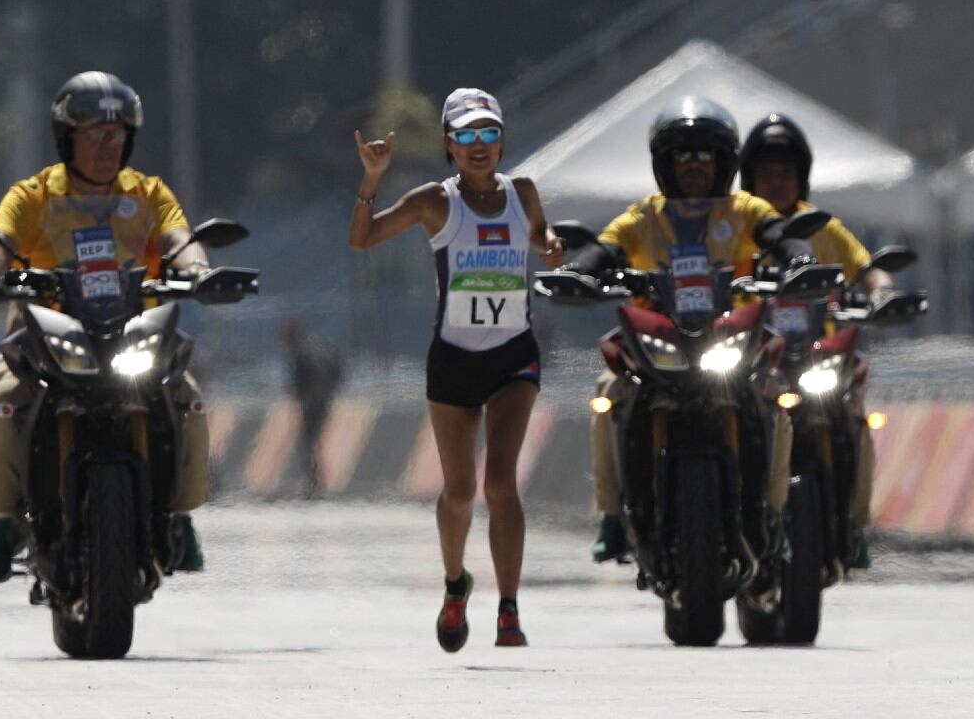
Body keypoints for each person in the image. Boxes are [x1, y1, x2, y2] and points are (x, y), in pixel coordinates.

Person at [0, 71, 213, 583]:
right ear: (67, 139)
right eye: (95, 136)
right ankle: (3, 522)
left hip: (134, 329)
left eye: (118, 136)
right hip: (46, 331)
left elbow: (180, 240)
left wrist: (199, 271)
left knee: (187, 398)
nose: (108, 147)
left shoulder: (147, 193)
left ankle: (180, 518)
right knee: (3, 398)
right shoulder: (33, 194)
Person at [349, 88, 564, 651]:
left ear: (501, 141)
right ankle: (454, 585)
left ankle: (510, 610)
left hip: (514, 353)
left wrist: (550, 245)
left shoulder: (523, 192)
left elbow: (540, 234)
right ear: (449, 144)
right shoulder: (433, 202)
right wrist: (373, 179)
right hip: (453, 359)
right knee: (460, 490)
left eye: (488, 134)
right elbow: (362, 239)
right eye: (466, 136)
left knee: (501, 485)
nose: (478, 146)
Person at [561, 96, 805, 566]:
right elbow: (604, 247)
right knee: (609, 392)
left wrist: (801, 260)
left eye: (705, 155)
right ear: (664, 163)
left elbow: (780, 234)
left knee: (775, 398)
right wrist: (579, 270)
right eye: (682, 155)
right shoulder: (642, 216)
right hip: (657, 340)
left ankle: (773, 514)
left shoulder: (746, 208)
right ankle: (612, 516)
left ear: (725, 162)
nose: (694, 165)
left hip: (730, 335)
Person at [739, 113, 893, 567]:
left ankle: (854, 523)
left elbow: (866, 271)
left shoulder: (822, 226)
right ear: (749, 178)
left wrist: (881, 291)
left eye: (786, 173)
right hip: (752, 361)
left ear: (802, 177)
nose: (777, 182)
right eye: (767, 174)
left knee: (856, 421)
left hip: (816, 359)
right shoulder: (735, 222)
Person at [280, 318, 342, 498]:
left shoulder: (304, 354)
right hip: (323, 401)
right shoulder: (318, 350)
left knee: (309, 443)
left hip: (313, 404)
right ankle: (315, 482)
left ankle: (314, 483)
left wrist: (304, 396)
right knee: (312, 443)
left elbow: (303, 381)